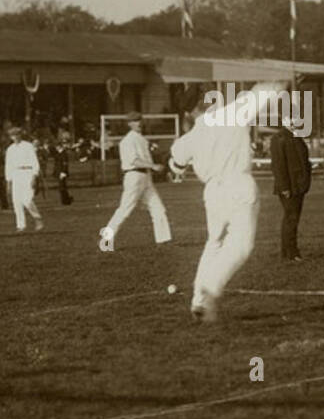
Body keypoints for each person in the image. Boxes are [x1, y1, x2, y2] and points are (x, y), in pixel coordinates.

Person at [169, 93, 265, 322]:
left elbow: (176, 165)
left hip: (213, 192)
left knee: (214, 243)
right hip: (239, 185)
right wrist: (278, 83)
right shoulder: (233, 114)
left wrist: (177, 162)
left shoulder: (189, 137)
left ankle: (198, 300)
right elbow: (261, 93)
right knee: (241, 245)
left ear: (190, 113)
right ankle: (210, 287)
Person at [101, 112, 171, 250]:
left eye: (139, 120)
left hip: (145, 177)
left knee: (158, 209)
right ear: (129, 124)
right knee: (124, 210)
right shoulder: (127, 141)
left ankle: (163, 241)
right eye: (134, 121)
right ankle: (106, 241)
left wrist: (152, 167)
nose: (138, 123)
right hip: (134, 176)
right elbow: (134, 161)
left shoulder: (141, 139)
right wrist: (154, 166)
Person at [270, 112, 312, 261]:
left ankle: (288, 252)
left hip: (298, 186)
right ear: (285, 120)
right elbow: (278, 166)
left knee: (292, 218)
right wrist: (284, 187)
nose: (295, 121)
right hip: (289, 186)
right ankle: (291, 252)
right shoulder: (279, 138)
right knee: (291, 218)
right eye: (292, 119)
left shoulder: (296, 136)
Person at [4, 126, 44, 232]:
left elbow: (34, 161)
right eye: (13, 135)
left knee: (27, 199)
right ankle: (20, 225)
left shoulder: (28, 146)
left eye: (17, 134)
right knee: (16, 201)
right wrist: (9, 181)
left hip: (27, 172)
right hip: (16, 174)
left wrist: (34, 176)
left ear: (21, 135)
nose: (15, 137)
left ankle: (37, 218)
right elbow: (8, 166)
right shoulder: (10, 149)